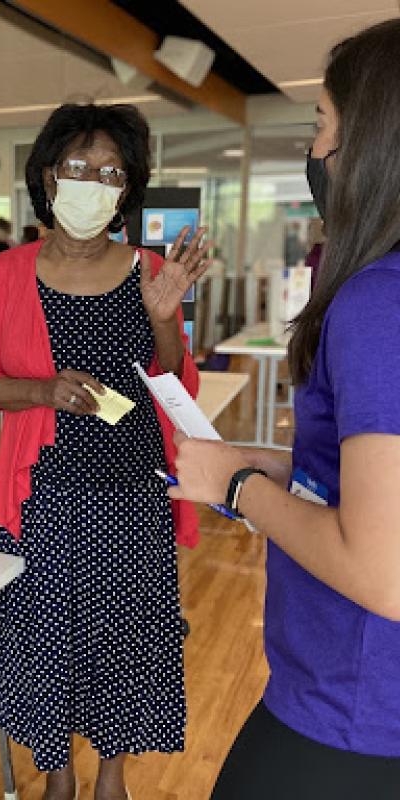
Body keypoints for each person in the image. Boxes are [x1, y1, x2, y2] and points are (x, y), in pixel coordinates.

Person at [168, 21, 400, 799]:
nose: (316, 151)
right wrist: (269, 464)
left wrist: (239, 491)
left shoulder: (379, 303)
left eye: (322, 126)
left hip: (354, 709)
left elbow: (381, 569)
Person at [0, 103, 211, 800]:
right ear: (47, 175)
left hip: (131, 490)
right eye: (77, 166)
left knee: (123, 638)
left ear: (127, 189)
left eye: (110, 171)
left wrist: (165, 322)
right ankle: (58, 775)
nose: (92, 181)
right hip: (41, 492)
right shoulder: (10, 272)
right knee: (44, 638)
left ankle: (112, 774)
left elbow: (174, 387)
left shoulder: (151, 271)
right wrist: (41, 388)